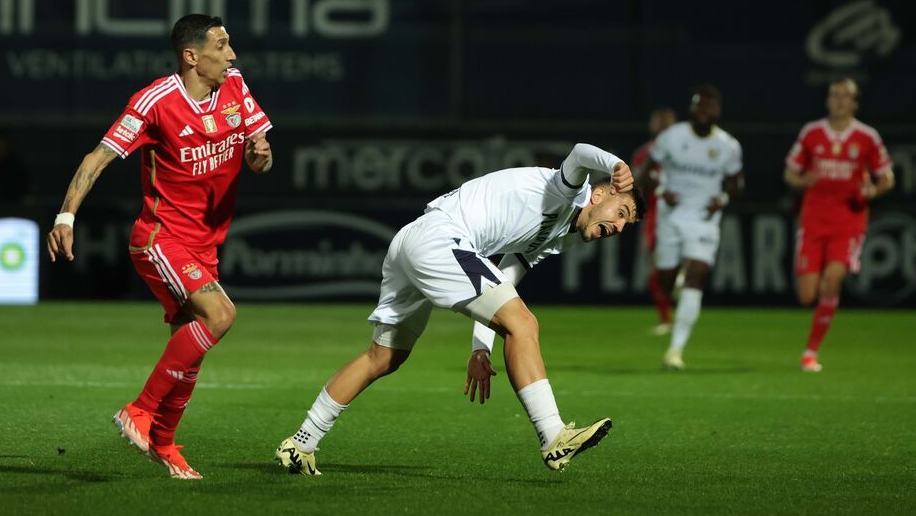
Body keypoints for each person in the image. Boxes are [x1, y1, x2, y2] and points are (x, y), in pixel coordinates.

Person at [275, 143, 645, 475]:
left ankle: (300, 443)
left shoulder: (558, 238)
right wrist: (615, 162)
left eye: (627, 223)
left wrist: (480, 348)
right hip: (441, 238)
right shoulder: (569, 190)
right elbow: (581, 152)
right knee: (525, 325)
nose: (619, 225)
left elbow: (501, 283)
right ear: (600, 193)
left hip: (414, 240)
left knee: (384, 357)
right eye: (622, 211)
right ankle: (553, 435)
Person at [47, 14, 273, 479]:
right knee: (221, 315)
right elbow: (98, 157)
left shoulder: (235, 86)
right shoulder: (155, 102)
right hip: (159, 238)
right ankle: (140, 409)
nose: (232, 55)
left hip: (205, 246)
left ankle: (165, 443)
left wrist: (259, 155)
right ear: (192, 56)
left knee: (189, 350)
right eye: (222, 46)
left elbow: (258, 155)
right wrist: (66, 215)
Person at [784, 78, 894, 372]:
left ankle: (810, 352)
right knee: (806, 295)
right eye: (835, 95)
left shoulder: (867, 137)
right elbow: (790, 173)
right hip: (813, 220)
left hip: (848, 221)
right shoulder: (812, 132)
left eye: (846, 96)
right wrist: (801, 180)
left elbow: (886, 177)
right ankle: (819, 299)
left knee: (833, 279)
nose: (839, 101)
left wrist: (871, 191)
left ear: (855, 103)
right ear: (828, 100)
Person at [638, 85, 743, 370]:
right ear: (691, 109)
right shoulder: (672, 137)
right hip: (671, 217)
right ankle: (676, 285)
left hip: (704, 221)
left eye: (709, 107)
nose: (703, 111)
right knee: (666, 281)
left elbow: (736, 183)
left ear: (717, 111)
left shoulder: (728, 146)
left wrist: (721, 199)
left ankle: (675, 351)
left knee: (697, 274)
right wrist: (661, 189)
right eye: (699, 106)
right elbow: (646, 171)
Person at [631, 108, 677, 335]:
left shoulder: (684, 150)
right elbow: (635, 184)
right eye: (659, 123)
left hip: (680, 213)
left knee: (668, 265)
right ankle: (667, 318)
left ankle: (678, 284)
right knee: (655, 267)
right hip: (655, 213)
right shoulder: (644, 154)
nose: (661, 127)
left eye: (665, 123)